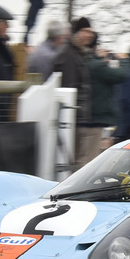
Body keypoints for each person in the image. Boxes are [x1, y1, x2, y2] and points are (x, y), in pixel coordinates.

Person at [54, 18, 95, 164]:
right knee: (74, 160)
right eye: (85, 31)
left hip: (79, 116)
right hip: (73, 117)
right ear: (76, 33)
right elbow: (69, 87)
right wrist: (75, 115)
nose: (89, 35)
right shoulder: (69, 55)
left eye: (90, 31)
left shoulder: (79, 53)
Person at [82, 39, 129, 164]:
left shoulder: (86, 62)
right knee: (91, 157)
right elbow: (121, 74)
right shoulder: (96, 65)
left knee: (86, 153)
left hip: (88, 115)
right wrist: (124, 60)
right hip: (97, 116)